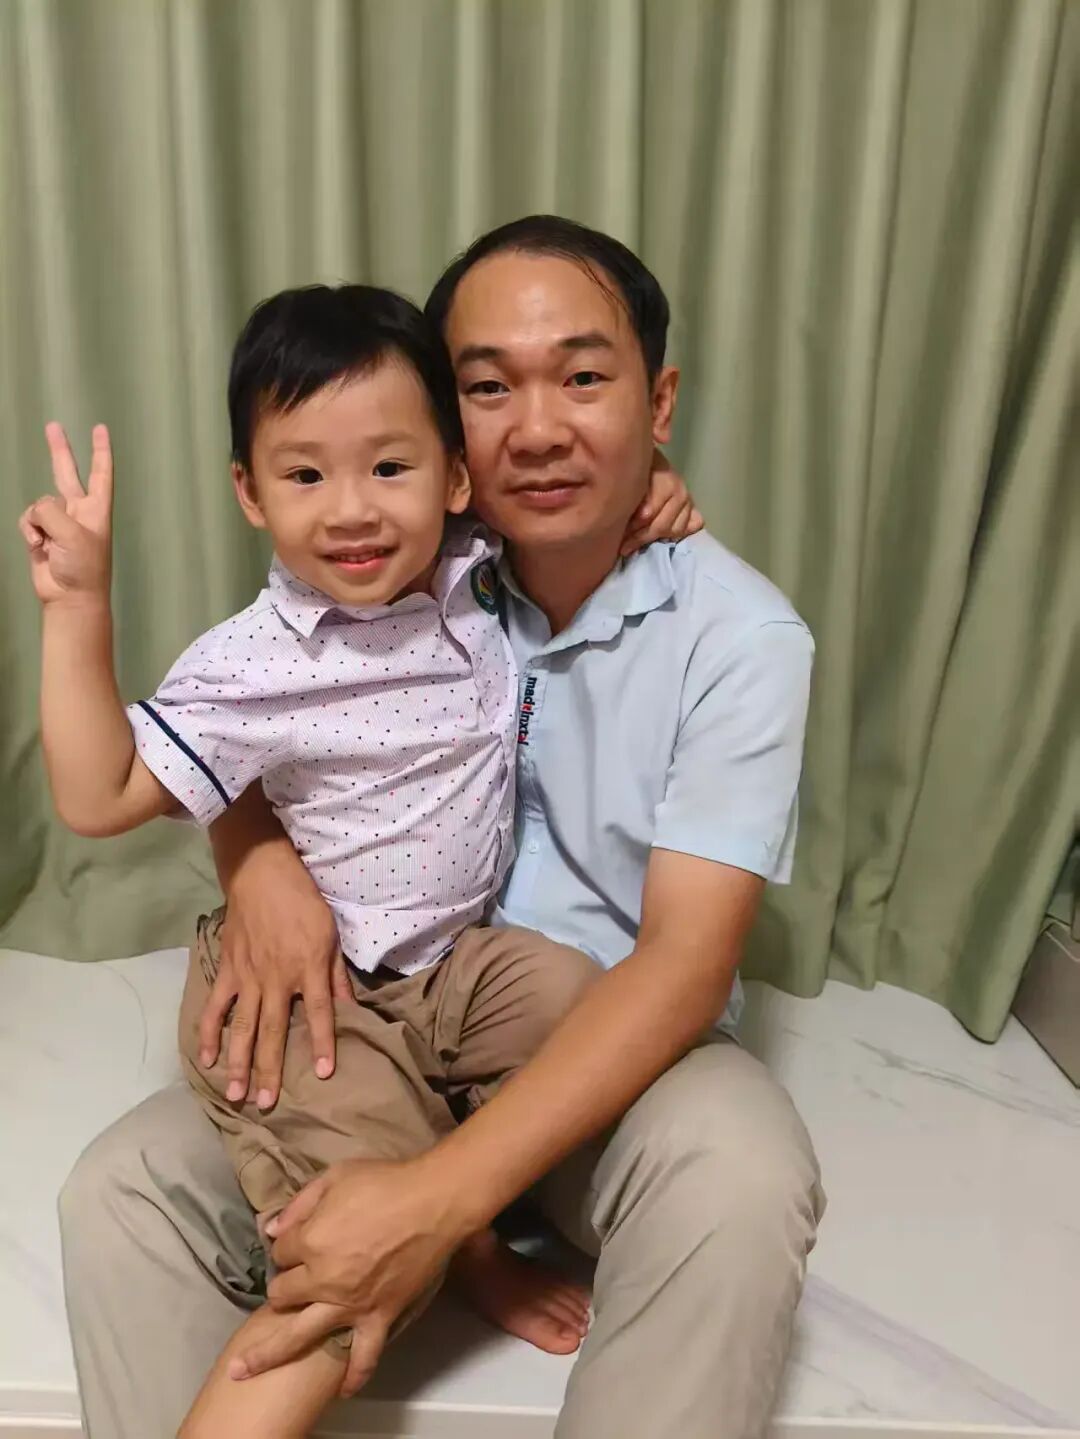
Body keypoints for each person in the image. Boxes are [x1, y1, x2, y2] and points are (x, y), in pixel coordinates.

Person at [57, 216, 824, 1439]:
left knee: (742, 1167)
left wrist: (433, 1204)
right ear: (448, 432)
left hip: (585, 1044)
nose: (539, 427)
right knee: (122, 1187)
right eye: (488, 386)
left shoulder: (738, 638)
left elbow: (686, 964)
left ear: (659, 400)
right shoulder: (421, 562)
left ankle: (453, 1239)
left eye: (584, 378)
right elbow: (264, 720)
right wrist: (258, 863)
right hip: (362, 1011)